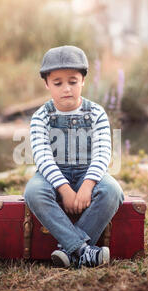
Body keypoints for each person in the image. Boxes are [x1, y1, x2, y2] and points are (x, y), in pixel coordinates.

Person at [24, 45, 124, 268]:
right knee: (33, 191)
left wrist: (88, 185)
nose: (66, 89)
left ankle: (69, 251)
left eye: (72, 81)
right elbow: (42, 157)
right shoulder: (41, 116)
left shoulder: (96, 112)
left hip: (88, 172)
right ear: (47, 84)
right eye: (58, 83)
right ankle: (82, 250)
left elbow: (102, 153)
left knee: (112, 191)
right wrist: (64, 189)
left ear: (83, 81)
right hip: (51, 174)